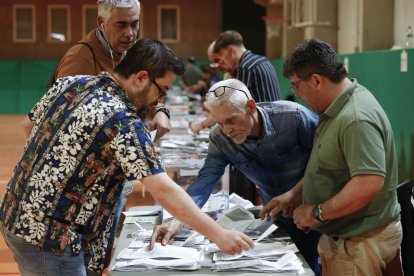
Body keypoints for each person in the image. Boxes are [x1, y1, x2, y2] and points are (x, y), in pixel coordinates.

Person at [0, 39, 254, 276]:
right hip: (49, 238)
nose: (159, 99)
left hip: (16, 215)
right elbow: (163, 191)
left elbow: (28, 125)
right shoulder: (123, 123)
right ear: (141, 78)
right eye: (161, 90)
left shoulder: (73, 83)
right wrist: (219, 235)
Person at [151, 78, 322, 276]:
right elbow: (206, 179)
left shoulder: (293, 117)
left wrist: (294, 193)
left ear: (250, 107)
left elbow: (327, 160)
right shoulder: (220, 138)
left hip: (314, 211)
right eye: (220, 123)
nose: (227, 130)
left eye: (231, 120)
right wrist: (178, 219)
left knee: (311, 267)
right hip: (276, 218)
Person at [278, 38, 402, 275]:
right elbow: (329, 166)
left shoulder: (355, 118)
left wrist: (316, 212)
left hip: (358, 242)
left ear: (316, 80)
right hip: (346, 238)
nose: (297, 93)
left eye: (296, 86)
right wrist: (294, 194)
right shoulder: (335, 107)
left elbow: (368, 183)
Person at [212, 30, 282, 205]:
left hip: (261, 138)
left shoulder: (244, 68)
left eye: (221, 57)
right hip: (275, 130)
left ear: (230, 50)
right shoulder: (261, 60)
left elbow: (230, 107)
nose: (222, 63)